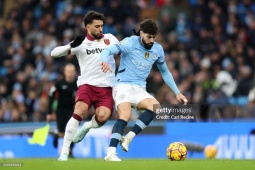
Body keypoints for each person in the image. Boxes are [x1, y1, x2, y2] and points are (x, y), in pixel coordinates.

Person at [100, 19, 188, 161]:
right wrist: (103, 60)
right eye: (149, 37)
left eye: (154, 37)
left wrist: (177, 92)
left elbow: (165, 72)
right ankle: (110, 153)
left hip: (139, 88)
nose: (152, 40)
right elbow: (108, 50)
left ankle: (129, 137)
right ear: (141, 33)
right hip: (123, 85)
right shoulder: (129, 43)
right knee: (126, 115)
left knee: (155, 107)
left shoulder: (157, 49)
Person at [50, 10, 119, 161]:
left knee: (103, 117)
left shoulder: (110, 39)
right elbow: (54, 53)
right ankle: (64, 153)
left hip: (106, 88)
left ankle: (87, 127)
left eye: (102, 26)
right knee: (79, 111)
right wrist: (70, 45)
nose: (101, 29)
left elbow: (123, 50)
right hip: (87, 85)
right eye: (97, 26)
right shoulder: (80, 44)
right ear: (88, 27)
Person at [47, 63, 77, 157]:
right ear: (65, 72)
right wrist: (49, 112)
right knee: (61, 132)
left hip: (72, 111)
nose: (70, 74)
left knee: (71, 131)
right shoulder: (59, 83)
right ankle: (57, 136)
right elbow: (51, 96)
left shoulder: (78, 84)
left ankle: (69, 151)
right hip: (61, 110)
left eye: (72, 72)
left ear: (74, 72)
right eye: (68, 71)